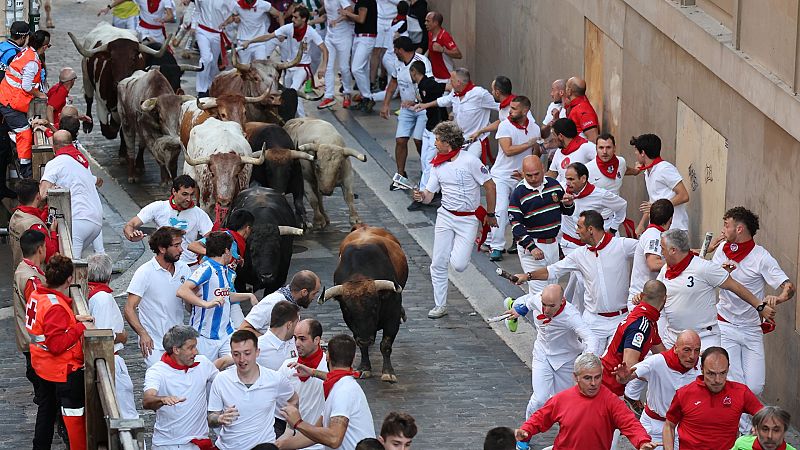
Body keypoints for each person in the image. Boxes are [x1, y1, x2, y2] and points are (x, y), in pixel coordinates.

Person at [711, 207, 794, 431]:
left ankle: (743, 426)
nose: (723, 230)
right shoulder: (721, 251)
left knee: (755, 386)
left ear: (739, 229)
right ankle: (744, 431)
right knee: (735, 382)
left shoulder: (761, 257)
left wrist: (777, 298)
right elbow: (709, 277)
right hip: (725, 324)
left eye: (727, 225)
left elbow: (789, 287)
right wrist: (721, 271)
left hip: (751, 329)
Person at [514, 210, 635, 355]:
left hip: (621, 320)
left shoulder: (622, 245)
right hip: (593, 321)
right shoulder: (578, 255)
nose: (576, 231)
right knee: (589, 364)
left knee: (616, 364)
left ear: (590, 229)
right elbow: (553, 270)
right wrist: (527, 276)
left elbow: (647, 249)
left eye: (579, 227)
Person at [411, 121, 497, 319]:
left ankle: (456, 252)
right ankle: (440, 305)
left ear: (447, 142)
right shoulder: (437, 164)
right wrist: (420, 196)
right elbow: (429, 195)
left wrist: (491, 214)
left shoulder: (470, 161)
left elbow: (490, 186)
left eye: (437, 140)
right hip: (445, 216)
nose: (434, 143)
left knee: (459, 265)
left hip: (468, 219)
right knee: (438, 262)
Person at [657, 228, 775, 349]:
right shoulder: (665, 270)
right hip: (673, 339)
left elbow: (735, 286)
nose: (661, 253)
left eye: (662, 248)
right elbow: (656, 296)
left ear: (673, 250)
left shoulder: (704, 268)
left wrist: (759, 306)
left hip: (704, 338)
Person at [514, 353, 657, 450]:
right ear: (575, 377)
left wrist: (642, 441)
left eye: (597, 377)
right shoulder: (561, 399)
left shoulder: (611, 401)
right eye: (587, 378)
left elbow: (630, 423)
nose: (594, 383)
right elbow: (540, 418)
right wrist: (526, 429)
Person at [26, 255, 94, 450]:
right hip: (62, 370)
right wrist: (80, 326)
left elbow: (46, 327)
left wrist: (73, 319)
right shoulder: (55, 306)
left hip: (42, 365)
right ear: (69, 279)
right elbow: (57, 345)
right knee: (74, 419)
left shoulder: (37, 295)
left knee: (46, 412)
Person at [504, 284, 597, 417]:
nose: (546, 310)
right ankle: (527, 429)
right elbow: (528, 303)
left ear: (562, 301)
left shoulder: (571, 315)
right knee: (539, 399)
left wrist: (588, 361)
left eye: (552, 306)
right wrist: (519, 310)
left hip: (566, 361)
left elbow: (591, 338)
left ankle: (565, 429)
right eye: (544, 304)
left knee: (565, 403)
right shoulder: (537, 299)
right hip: (542, 355)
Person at [277, 334, 376, 449]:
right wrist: (278, 446)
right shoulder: (339, 386)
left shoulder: (344, 391)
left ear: (327, 356)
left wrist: (298, 423)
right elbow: (314, 435)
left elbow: (334, 439)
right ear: (353, 359)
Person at [208, 330, 298, 450]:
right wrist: (219, 419)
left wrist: (289, 431)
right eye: (236, 354)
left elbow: (293, 399)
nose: (242, 359)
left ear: (257, 352)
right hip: (227, 447)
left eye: (247, 353)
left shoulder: (275, 379)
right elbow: (211, 418)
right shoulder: (221, 379)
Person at [557, 162, 627, 314]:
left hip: (589, 247)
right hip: (569, 245)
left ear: (583, 179)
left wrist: (613, 228)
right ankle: (578, 314)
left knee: (580, 282)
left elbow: (622, 205)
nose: (567, 183)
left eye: (571, 179)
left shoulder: (600, 194)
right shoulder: (560, 190)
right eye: (566, 179)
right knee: (583, 281)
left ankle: (568, 311)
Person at [612, 329, 701, 448]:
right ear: (675, 348)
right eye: (687, 350)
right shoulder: (657, 361)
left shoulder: (703, 366)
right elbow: (628, 376)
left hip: (684, 427)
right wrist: (623, 377)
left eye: (697, 350)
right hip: (654, 427)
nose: (692, 356)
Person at [663, 347, 763, 450]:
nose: (717, 380)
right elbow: (669, 425)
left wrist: (759, 428)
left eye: (722, 373)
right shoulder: (684, 394)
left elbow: (767, 418)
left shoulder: (741, 392)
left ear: (728, 368)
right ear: (702, 369)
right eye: (711, 374)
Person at [178, 231, 258, 360]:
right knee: (206, 371)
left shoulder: (224, 269)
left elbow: (225, 295)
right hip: (205, 337)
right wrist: (206, 304)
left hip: (226, 334)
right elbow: (182, 291)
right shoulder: (206, 269)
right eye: (231, 250)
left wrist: (248, 296)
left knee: (236, 364)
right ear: (226, 251)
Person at [13, 230, 57, 449]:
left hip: (29, 344)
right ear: (41, 249)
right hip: (37, 348)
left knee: (47, 401)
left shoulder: (23, 270)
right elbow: (41, 311)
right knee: (47, 404)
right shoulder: (31, 278)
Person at [125, 226, 193, 367]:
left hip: (179, 343)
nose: (181, 250)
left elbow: (190, 306)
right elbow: (129, 309)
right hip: (154, 344)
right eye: (176, 246)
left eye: (180, 245)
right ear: (162, 249)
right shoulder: (144, 272)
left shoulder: (184, 269)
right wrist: (143, 334)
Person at [143, 325, 221, 449]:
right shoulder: (157, 371)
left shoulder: (203, 363)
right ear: (176, 350)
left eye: (195, 347)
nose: (196, 352)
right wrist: (162, 399)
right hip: (168, 445)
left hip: (199, 442)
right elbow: (147, 400)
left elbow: (223, 383)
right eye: (191, 348)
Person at [245, 5, 327, 117]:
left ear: (304, 19)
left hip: (302, 68)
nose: (292, 19)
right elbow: (269, 36)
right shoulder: (289, 28)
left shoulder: (311, 32)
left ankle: (302, 120)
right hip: (289, 66)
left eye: (296, 17)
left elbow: (324, 49)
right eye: (292, 16)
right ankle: (290, 118)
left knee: (293, 92)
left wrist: (323, 67)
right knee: (289, 94)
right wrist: (250, 42)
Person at [508, 155, 573, 295]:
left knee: (552, 290)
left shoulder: (554, 185)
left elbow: (566, 211)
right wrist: (531, 247)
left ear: (543, 169)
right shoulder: (518, 193)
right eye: (529, 175)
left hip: (553, 244)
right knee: (541, 294)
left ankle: (517, 305)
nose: (533, 179)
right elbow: (516, 225)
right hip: (532, 246)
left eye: (536, 174)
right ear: (523, 173)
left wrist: (568, 204)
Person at [486, 95, 541, 261]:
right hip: (502, 175)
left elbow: (535, 153)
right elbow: (508, 150)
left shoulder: (534, 128)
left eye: (514, 108)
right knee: (502, 209)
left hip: (521, 177)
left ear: (525, 110)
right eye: (510, 107)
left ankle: (519, 241)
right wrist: (529, 144)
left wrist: (528, 168)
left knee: (524, 211)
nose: (510, 111)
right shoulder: (505, 126)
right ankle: (496, 246)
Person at [87, 253, 139, 419]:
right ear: (109, 275)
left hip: (108, 360)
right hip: (111, 361)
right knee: (126, 413)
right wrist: (122, 336)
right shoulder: (102, 298)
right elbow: (103, 335)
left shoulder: (91, 293)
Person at [39, 130, 105, 257]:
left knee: (70, 264)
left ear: (54, 146)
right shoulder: (80, 159)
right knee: (71, 262)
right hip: (96, 221)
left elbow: (42, 194)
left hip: (78, 220)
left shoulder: (56, 162)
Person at [124, 174, 214, 265]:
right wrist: (131, 236)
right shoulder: (158, 207)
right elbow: (130, 225)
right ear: (174, 191)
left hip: (190, 266)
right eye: (185, 194)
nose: (189, 199)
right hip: (162, 265)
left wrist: (205, 256)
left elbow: (213, 239)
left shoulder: (199, 213)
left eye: (191, 195)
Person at [414, 67, 498, 164]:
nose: (450, 83)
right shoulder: (454, 93)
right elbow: (444, 101)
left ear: (458, 82)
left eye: (451, 80)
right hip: (459, 139)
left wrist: (485, 129)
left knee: (468, 164)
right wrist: (425, 105)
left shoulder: (480, 94)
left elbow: (499, 107)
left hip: (476, 140)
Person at [188, 208, 255, 327]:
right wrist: (214, 253)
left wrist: (235, 259)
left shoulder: (237, 244)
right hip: (211, 295)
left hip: (228, 292)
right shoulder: (224, 237)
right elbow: (192, 245)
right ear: (248, 228)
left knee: (240, 329)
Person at [600, 279, 667, 397]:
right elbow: (629, 368)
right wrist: (656, 377)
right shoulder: (641, 326)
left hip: (608, 384)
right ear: (665, 299)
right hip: (608, 388)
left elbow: (663, 355)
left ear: (642, 295)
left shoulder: (648, 320)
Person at [380, 36, 431, 188]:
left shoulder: (422, 61)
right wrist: (386, 104)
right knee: (400, 140)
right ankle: (400, 175)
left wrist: (416, 102)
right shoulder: (398, 63)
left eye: (395, 49)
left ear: (401, 50)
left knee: (419, 140)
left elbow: (428, 85)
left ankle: (427, 169)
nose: (394, 52)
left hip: (422, 107)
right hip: (406, 108)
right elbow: (393, 82)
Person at [0, 29, 50, 179]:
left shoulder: (26, 52)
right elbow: (26, 86)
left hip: (7, 96)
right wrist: (39, 94)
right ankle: (25, 168)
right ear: (44, 47)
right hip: (9, 102)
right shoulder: (32, 62)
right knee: (25, 132)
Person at [277, 318, 328, 449]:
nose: (297, 343)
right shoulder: (287, 366)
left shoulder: (328, 366)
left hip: (321, 443)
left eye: (302, 339)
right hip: (294, 442)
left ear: (317, 340)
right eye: (295, 338)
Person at [406, 58, 446, 209]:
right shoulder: (422, 85)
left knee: (429, 162)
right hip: (429, 127)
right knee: (424, 160)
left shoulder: (428, 84)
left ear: (414, 72)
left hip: (436, 128)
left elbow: (446, 88)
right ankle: (432, 190)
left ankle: (423, 195)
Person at [631, 133, 690, 231]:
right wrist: (641, 224)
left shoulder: (665, 168)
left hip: (675, 228)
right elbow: (652, 201)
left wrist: (657, 207)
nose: (635, 153)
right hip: (657, 228)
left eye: (636, 150)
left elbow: (684, 196)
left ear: (643, 153)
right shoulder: (647, 171)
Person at [243, 270, 321, 334]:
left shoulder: (293, 303)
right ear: (304, 292)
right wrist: (269, 342)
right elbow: (244, 328)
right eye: (314, 294)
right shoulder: (272, 302)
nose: (314, 298)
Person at [628, 199, 672, 309]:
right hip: (642, 301)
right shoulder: (653, 235)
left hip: (650, 299)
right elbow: (654, 264)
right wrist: (679, 261)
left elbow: (677, 253)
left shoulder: (656, 234)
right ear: (670, 219)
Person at [183, 0, 233, 97]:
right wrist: (193, 25)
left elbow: (234, 13)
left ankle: (210, 86)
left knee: (213, 63)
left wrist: (227, 24)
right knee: (206, 58)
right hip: (202, 31)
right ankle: (201, 90)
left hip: (217, 33)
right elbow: (197, 10)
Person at [8, 179, 58, 267]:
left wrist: (46, 207)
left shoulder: (16, 215)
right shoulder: (35, 226)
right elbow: (51, 256)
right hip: (35, 273)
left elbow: (34, 217)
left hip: (20, 270)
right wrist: (53, 232)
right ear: (38, 196)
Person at [339, 0, 377, 111]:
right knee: (363, 69)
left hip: (365, 38)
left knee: (356, 68)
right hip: (361, 36)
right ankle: (365, 97)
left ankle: (367, 97)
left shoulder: (364, 1)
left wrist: (347, 13)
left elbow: (361, 19)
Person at [317, 0, 355, 109]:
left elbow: (350, 13)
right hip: (330, 35)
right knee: (328, 66)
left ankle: (347, 93)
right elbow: (327, 12)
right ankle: (329, 96)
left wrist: (338, 20)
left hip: (344, 36)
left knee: (344, 67)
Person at [546, 117, 596, 187]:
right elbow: (552, 174)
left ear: (560, 136)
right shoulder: (559, 151)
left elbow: (602, 160)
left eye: (553, 135)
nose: (552, 138)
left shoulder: (586, 146)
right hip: (564, 192)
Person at [256, 300, 300, 370]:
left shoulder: (297, 342)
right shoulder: (257, 347)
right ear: (289, 325)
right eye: (297, 323)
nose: (299, 327)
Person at [732, 406, 796, 450]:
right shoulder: (741, 444)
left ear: (784, 431)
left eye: (776, 430)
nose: (770, 436)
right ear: (756, 429)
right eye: (765, 429)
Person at [423, 11, 461, 84]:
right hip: (435, 76)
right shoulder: (430, 33)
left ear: (436, 23)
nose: (425, 23)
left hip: (446, 78)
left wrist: (443, 50)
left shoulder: (445, 36)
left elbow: (458, 54)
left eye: (428, 21)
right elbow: (431, 48)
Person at [563, 77, 599, 142]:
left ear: (569, 91)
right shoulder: (576, 106)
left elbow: (593, 138)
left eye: (566, 88)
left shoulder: (583, 109)